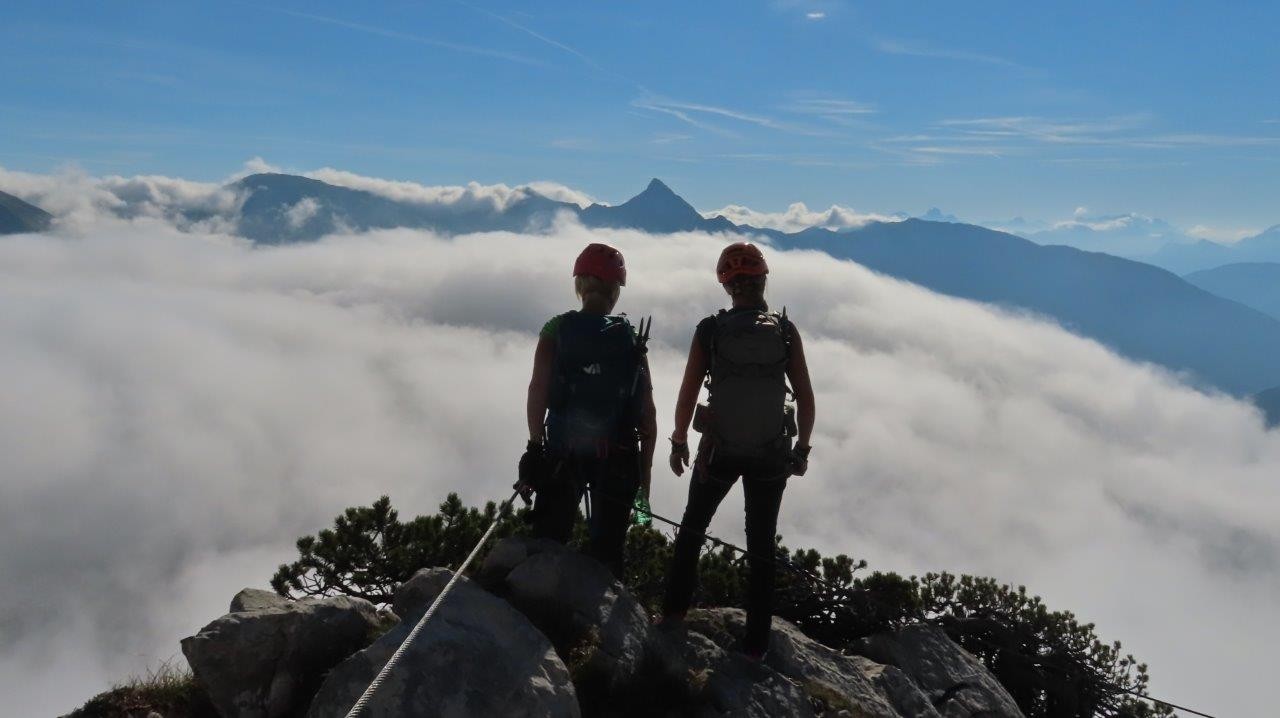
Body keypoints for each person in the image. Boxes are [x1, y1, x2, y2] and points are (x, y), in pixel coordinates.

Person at [660, 241, 815, 659]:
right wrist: (800, 450)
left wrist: (678, 441)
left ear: (727, 286)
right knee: (761, 545)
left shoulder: (711, 330)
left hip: (719, 452)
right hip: (770, 454)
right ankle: (755, 645)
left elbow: (688, 393)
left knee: (693, 527)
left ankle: (673, 615)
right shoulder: (784, 330)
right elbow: (805, 397)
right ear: (764, 279)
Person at [518, 242, 657, 577]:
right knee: (607, 554)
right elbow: (647, 414)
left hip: (562, 450)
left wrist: (535, 445)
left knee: (548, 542)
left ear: (579, 284)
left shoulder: (557, 328)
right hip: (618, 456)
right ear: (615, 290)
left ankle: (540, 610)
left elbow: (538, 388)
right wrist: (644, 479)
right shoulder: (629, 335)